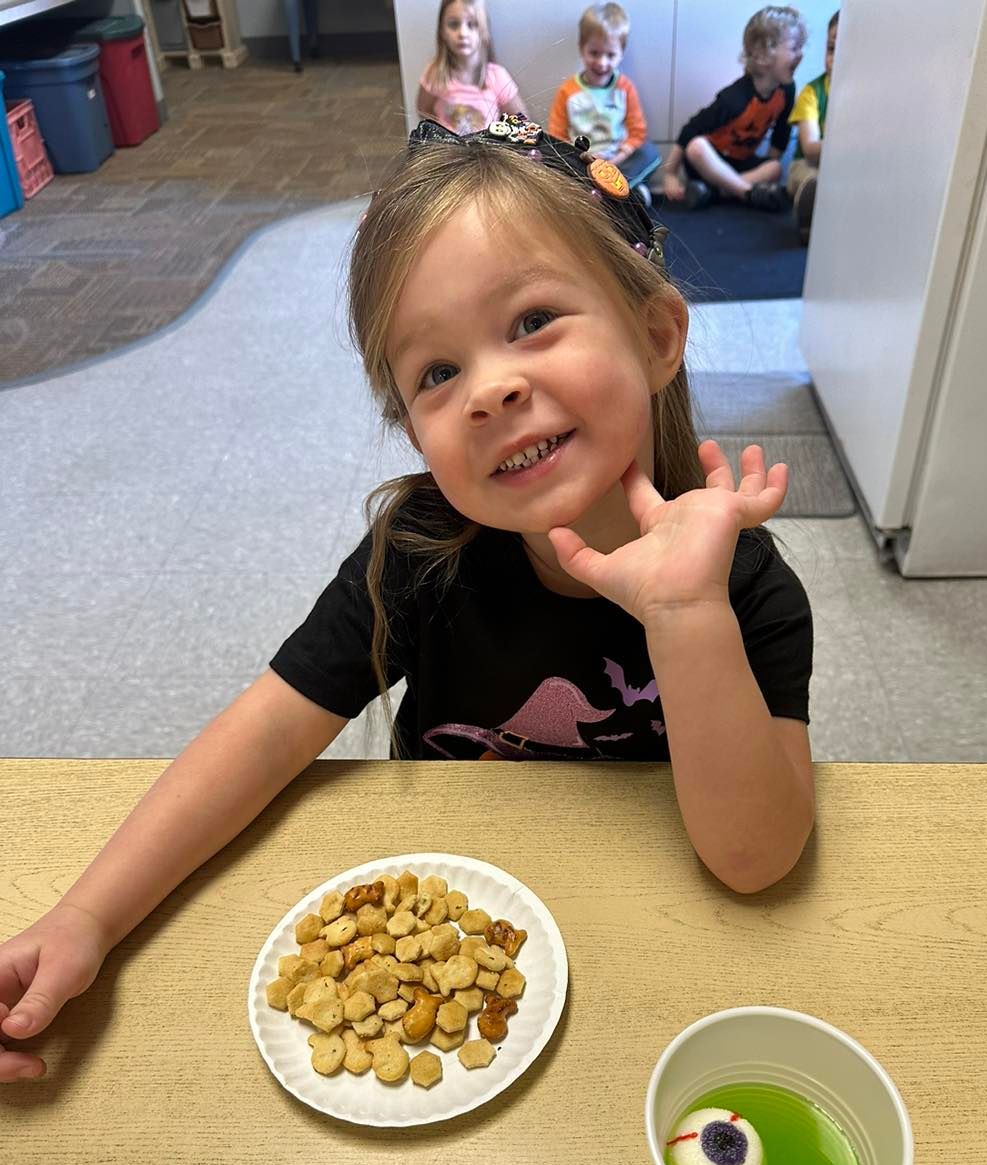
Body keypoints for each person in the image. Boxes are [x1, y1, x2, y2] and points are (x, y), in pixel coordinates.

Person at [0, 117, 815, 1084]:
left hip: (656, 965)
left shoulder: (753, 593)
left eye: (531, 322)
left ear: (655, 334)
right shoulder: (421, 553)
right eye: (437, 372)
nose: (490, 389)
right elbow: (266, 734)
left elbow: (758, 860)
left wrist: (688, 616)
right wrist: (87, 917)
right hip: (449, 929)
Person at [660, 5, 807, 212]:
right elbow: (690, 130)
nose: (801, 55)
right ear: (763, 55)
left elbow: (781, 133)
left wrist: (768, 166)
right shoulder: (735, 97)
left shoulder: (786, 90)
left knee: (775, 168)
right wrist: (670, 174)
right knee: (697, 147)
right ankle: (747, 193)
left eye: (802, 47)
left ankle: (714, 192)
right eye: (794, 48)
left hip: (741, 164)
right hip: (708, 163)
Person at [547, 3, 661, 205]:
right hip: (582, 161)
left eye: (610, 55)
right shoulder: (568, 91)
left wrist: (614, 160)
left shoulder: (625, 88)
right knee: (553, 163)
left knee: (650, 153)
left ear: (621, 54)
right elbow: (557, 135)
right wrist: (583, 157)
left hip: (617, 160)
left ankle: (605, 195)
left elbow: (637, 132)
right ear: (582, 48)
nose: (601, 62)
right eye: (594, 53)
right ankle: (623, 195)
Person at [416, 0, 526, 136]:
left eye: (472, 24)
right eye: (453, 24)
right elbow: (423, 109)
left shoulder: (497, 76)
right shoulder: (434, 73)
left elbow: (521, 120)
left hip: (486, 153)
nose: (462, 33)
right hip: (447, 153)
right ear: (442, 31)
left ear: (484, 31)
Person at [786, 9, 837, 243]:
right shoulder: (812, 92)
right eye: (831, 49)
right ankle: (807, 219)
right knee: (810, 178)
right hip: (808, 165)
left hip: (846, 170)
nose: (833, 58)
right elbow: (810, 149)